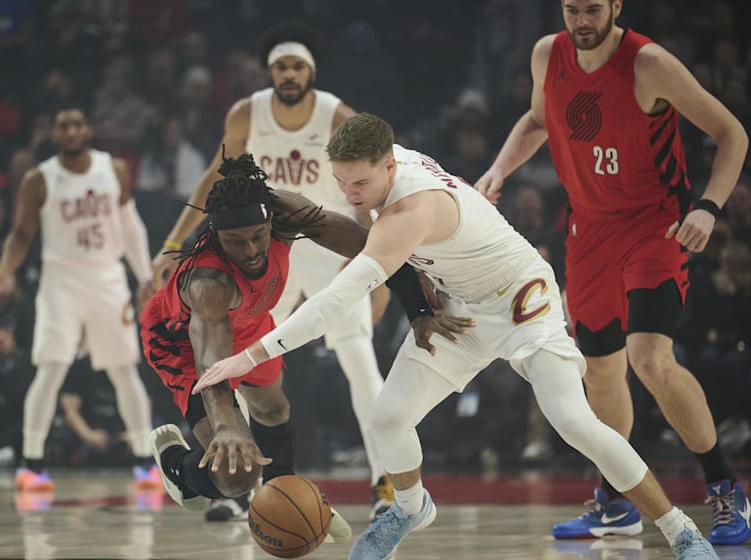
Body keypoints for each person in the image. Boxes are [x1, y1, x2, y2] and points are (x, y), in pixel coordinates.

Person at [195, 114, 719, 560]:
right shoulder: (379, 158)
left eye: (359, 186)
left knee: (574, 422)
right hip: (460, 307)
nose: (351, 196)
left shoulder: (408, 211)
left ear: (390, 166)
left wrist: (248, 356)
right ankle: (410, 508)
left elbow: (335, 302)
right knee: (388, 417)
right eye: (342, 184)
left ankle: (682, 533)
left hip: (521, 301)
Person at [475, 0, 750, 545]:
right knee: (599, 374)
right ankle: (614, 501)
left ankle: (724, 487)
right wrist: (498, 170)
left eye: (593, 10)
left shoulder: (649, 63)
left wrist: (708, 206)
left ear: (616, 7)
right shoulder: (548, 54)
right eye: (572, 10)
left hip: (655, 225)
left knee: (649, 360)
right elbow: (535, 120)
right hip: (589, 230)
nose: (582, 21)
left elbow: (732, 133)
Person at [150, 22, 394, 520]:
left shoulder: (334, 115)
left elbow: (367, 186)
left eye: (297, 66)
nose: (288, 74)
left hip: (325, 245)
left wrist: (379, 264)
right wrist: (174, 242)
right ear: (270, 72)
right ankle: (243, 489)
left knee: (360, 364)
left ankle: (384, 480)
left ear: (312, 71)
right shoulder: (247, 113)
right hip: (261, 252)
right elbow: (213, 179)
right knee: (234, 360)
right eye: (280, 66)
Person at [143, 154, 428, 538]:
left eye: (258, 237)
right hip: (183, 343)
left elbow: (372, 247)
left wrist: (419, 305)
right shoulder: (208, 283)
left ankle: (283, 495)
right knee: (237, 471)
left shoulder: (288, 212)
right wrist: (227, 426)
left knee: (274, 408)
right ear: (215, 235)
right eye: (234, 242)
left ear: (272, 222)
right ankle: (179, 465)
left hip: (248, 320)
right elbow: (212, 364)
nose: (250, 251)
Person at [0, 106, 159, 493]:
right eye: (62, 124)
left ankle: (145, 462)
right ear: (54, 132)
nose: (70, 130)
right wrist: (3, 271)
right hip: (60, 280)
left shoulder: (113, 169)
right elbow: (20, 235)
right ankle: (32, 464)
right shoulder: (39, 179)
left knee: (124, 370)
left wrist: (145, 275)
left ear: (88, 129)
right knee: (51, 368)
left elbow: (131, 226)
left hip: (107, 276)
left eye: (77, 124)